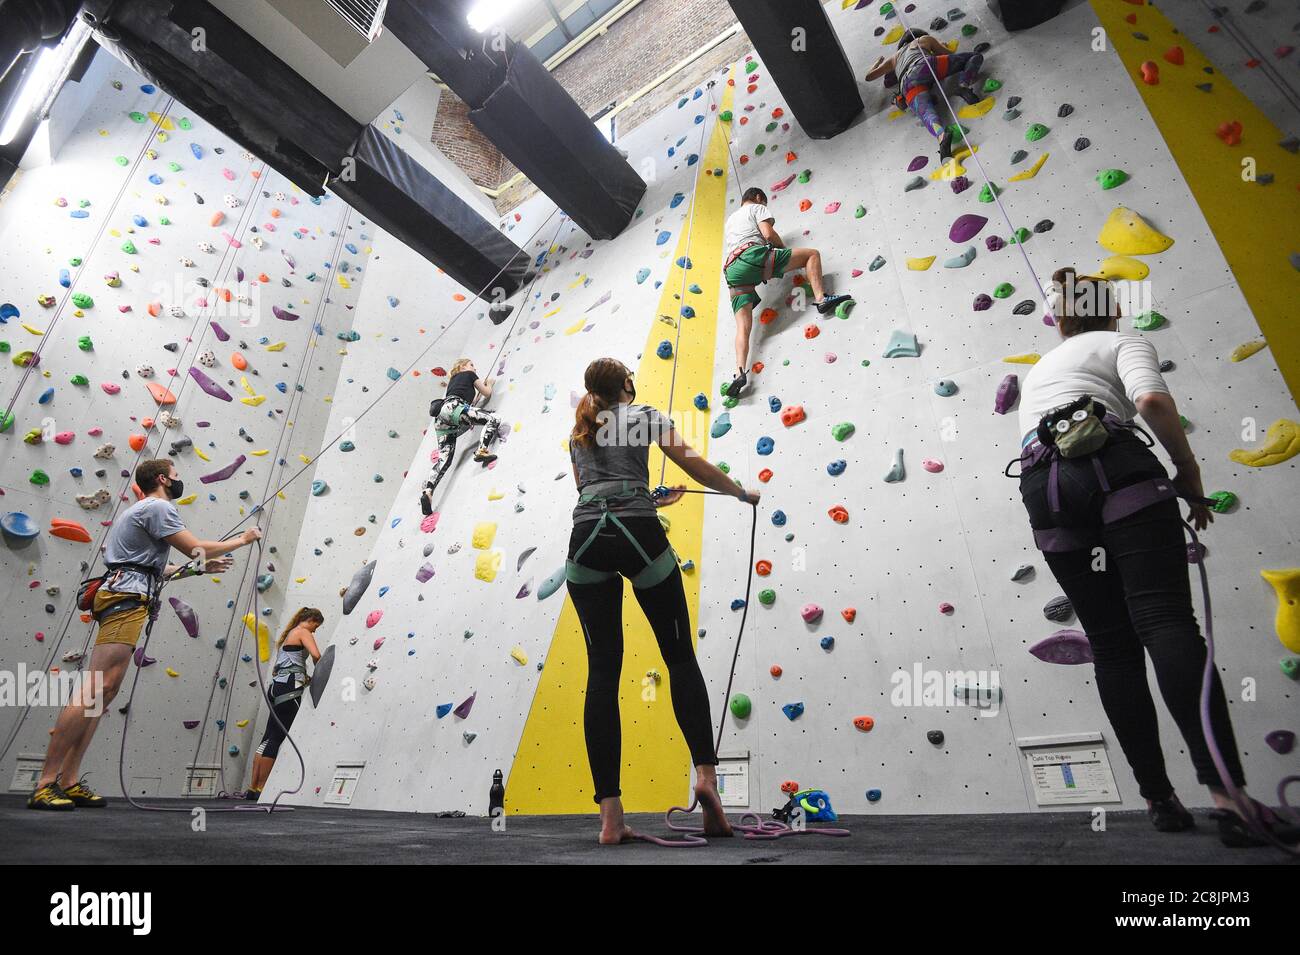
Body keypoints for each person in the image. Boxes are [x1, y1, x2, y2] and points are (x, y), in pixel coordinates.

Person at [1013, 269, 1300, 848]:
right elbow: (1148, 400)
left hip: (1045, 489)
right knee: (1166, 622)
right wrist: (1189, 473)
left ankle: (1159, 799)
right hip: (1118, 469)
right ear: (1110, 311)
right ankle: (1228, 798)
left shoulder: (1040, 371)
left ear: (1063, 318)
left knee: (1112, 646)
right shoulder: (1122, 342)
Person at [567, 357, 759, 844]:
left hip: (587, 539)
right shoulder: (645, 415)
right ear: (627, 384)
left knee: (602, 673)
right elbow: (691, 461)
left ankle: (611, 819)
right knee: (679, 659)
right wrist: (739, 492)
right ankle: (706, 781)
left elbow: (595, 491)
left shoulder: (578, 434)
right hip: (639, 533)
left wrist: (646, 498)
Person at [28, 459, 262, 810]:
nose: (181, 481)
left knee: (104, 694)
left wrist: (196, 570)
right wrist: (242, 540)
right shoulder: (158, 507)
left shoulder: (146, 510)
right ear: (163, 479)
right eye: (177, 476)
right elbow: (193, 547)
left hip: (129, 593)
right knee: (97, 687)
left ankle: (70, 779)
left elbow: (156, 567)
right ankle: (47, 782)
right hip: (125, 598)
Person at [722, 187, 851, 398]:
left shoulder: (730, 221)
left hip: (732, 271)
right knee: (811, 255)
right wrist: (781, 249)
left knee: (743, 328)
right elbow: (768, 233)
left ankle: (738, 373)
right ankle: (822, 298)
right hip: (751, 257)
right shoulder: (757, 207)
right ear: (757, 198)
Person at [865, 28, 984, 161]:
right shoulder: (923, 40)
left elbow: (869, 77)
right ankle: (963, 86)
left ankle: (941, 136)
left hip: (907, 83)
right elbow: (949, 54)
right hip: (925, 65)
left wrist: (878, 62)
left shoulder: (894, 58)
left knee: (927, 114)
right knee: (974, 57)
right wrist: (942, 46)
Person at [246, 607, 324, 800]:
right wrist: (320, 674)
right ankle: (263, 787)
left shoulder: (289, 634)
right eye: (316, 626)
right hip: (289, 690)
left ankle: (253, 787)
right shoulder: (303, 632)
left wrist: (304, 677)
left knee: (267, 737)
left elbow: (289, 664)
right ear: (312, 620)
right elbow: (316, 656)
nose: (315, 631)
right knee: (277, 738)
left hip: (277, 688)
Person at [421, 357, 506, 515]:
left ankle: (428, 491)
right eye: (471, 365)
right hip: (455, 409)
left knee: (444, 460)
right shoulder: (469, 375)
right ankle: (482, 450)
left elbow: (469, 403)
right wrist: (490, 384)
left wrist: (475, 399)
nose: (474, 368)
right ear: (462, 367)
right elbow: (486, 393)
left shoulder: (454, 381)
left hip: (442, 416)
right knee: (494, 419)